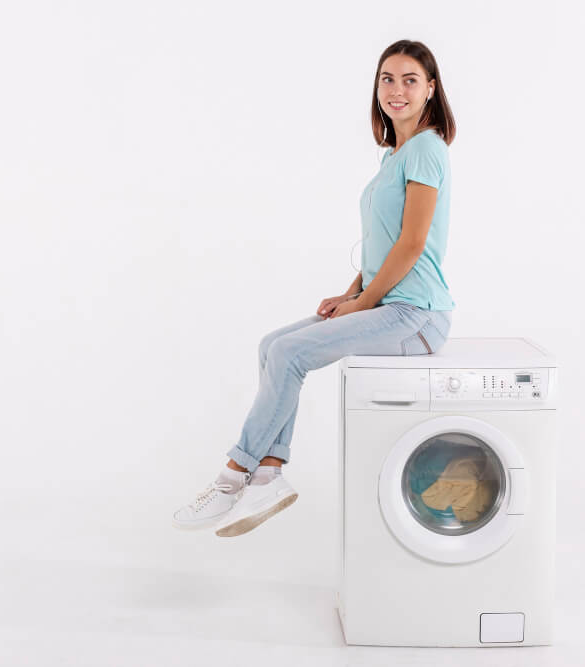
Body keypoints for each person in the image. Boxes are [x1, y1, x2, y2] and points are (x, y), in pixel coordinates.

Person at [173, 39, 458, 537]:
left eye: (410, 80)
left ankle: (232, 478)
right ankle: (269, 472)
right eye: (387, 79)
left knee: (290, 355)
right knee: (272, 347)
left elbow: (413, 245)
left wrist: (364, 303)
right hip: (387, 303)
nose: (396, 90)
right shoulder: (398, 153)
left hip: (417, 316)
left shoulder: (428, 150)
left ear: (430, 89)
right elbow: (384, 243)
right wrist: (353, 294)